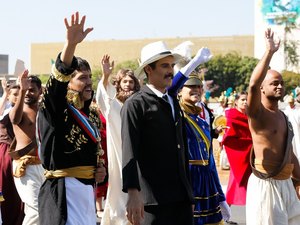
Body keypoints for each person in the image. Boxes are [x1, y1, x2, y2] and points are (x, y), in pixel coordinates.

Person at [121, 40, 212, 225]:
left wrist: (189, 195)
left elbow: (182, 149)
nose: (170, 71)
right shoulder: (135, 104)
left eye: (171, 65)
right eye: (164, 66)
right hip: (152, 200)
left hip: (180, 199)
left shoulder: (172, 101)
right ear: (148, 69)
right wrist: (133, 193)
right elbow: (129, 151)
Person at [37, 12, 106, 225]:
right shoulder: (56, 108)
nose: (88, 82)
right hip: (63, 191)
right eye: (82, 78)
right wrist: (70, 46)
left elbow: (95, 151)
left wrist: (99, 168)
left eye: (90, 77)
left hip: (86, 192)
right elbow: (56, 84)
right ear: (68, 82)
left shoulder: (91, 113)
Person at [246, 28, 300, 225]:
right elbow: (252, 84)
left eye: (282, 83)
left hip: (286, 183)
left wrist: (299, 180)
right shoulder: (257, 114)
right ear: (262, 87)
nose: (279, 86)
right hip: (266, 185)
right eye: (274, 83)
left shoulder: (284, 116)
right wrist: (269, 52)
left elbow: (290, 154)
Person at [178, 74, 231, 224]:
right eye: (191, 87)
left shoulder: (200, 116)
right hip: (188, 178)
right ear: (180, 90)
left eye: (199, 87)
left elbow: (206, 152)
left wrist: (220, 196)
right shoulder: (176, 114)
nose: (197, 90)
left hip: (205, 177)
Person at [96, 54, 140, 225]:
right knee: (121, 199)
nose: (128, 85)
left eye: (131, 82)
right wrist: (106, 75)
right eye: (124, 82)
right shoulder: (115, 105)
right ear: (119, 84)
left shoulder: (140, 103)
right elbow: (103, 97)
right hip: (120, 157)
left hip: (141, 158)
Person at [9, 71, 44, 225]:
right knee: (36, 209)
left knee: (39, 208)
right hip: (25, 167)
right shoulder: (19, 110)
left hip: (43, 167)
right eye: (26, 90)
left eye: (32, 90)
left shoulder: (44, 112)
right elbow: (14, 119)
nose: (29, 93)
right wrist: (21, 91)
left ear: (40, 91)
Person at [0, 80, 24, 225]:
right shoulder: (6, 110)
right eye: (13, 94)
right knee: (4, 189)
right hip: (5, 154)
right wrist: (5, 93)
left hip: (19, 155)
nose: (16, 97)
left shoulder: (25, 109)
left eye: (18, 94)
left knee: (18, 192)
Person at [222, 92, 252, 207]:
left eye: (247, 100)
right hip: (238, 153)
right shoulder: (231, 115)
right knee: (234, 181)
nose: (245, 102)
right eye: (243, 99)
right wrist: (248, 144)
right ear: (236, 102)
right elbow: (228, 137)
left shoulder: (250, 116)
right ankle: (225, 213)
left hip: (251, 153)